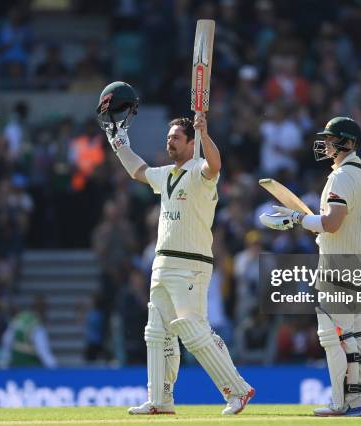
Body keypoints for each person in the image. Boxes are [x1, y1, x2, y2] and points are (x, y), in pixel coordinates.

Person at [96, 81, 254, 415]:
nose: (169, 141)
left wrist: (205, 132)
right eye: (168, 137)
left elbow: (216, 164)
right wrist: (117, 142)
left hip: (191, 264)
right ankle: (160, 400)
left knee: (192, 330)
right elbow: (138, 170)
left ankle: (237, 391)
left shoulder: (200, 172)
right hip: (163, 263)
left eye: (176, 138)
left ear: (191, 143)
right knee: (156, 332)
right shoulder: (166, 174)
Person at [260, 117, 361, 417]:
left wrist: (298, 219)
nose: (326, 144)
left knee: (333, 336)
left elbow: (331, 223)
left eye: (332, 139)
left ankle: (341, 402)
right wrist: (325, 223)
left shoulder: (342, 177)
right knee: (353, 334)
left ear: (349, 143)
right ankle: (358, 400)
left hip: (338, 268)